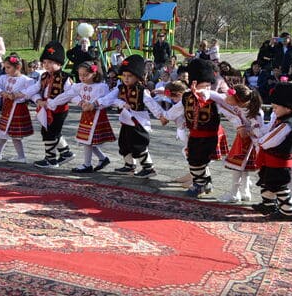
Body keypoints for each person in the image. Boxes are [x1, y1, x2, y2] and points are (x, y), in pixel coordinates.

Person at [164, 59, 222, 198]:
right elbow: (177, 109)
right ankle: (204, 183)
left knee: (199, 161)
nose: (206, 89)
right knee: (194, 161)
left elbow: (229, 107)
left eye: (208, 85)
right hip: (194, 135)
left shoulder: (214, 98)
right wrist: (166, 117)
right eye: (203, 86)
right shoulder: (187, 96)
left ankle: (200, 184)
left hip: (210, 135)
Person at [99, 55, 165, 177]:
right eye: (124, 76)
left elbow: (151, 103)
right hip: (125, 120)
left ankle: (148, 167)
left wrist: (160, 115)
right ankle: (129, 165)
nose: (126, 79)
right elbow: (110, 99)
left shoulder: (142, 90)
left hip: (138, 120)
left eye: (129, 76)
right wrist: (99, 103)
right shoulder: (120, 88)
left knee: (139, 143)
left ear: (137, 77)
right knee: (124, 143)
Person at [47, 61, 115, 173]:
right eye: (80, 75)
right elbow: (68, 95)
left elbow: (109, 99)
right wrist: (54, 102)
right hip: (86, 115)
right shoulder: (79, 86)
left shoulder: (101, 86)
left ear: (93, 74)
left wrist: (95, 104)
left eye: (85, 75)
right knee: (87, 139)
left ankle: (87, 164)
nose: (82, 77)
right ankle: (103, 159)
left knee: (88, 140)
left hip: (97, 115)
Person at [251, 82, 292, 221]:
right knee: (267, 182)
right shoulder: (285, 119)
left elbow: (269, 141)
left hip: (279, 162)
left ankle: (289, 211)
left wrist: (258, 141)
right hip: (274, 160)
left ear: (287, 107)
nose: (273, 110)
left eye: (275, 107)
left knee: (279, 186)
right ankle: (268, 204)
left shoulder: (287, 124)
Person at [23, 41, 75, 168]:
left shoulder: (65, 78)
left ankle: (51, 159)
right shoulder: (44, 76)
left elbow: (70, 93)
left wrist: (55, 102)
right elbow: (35, 88)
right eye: (45, 62)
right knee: (48, 131)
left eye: (50, 62)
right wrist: (22, 94)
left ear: (59, 63)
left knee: (51, 133)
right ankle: (66, 153)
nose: (47, 65)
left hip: (59, 109)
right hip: (45, 108)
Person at [217, 85, 264, 204]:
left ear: (238, 100)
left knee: (237, 167)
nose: (226, 97)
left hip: (250, 142)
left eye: (229, 96)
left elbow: (259, 132)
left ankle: (234, 193)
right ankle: (245, 191)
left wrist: (248, 132)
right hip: (244, 140)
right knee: (242, 168)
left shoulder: (255, 113)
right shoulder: (242, 107)